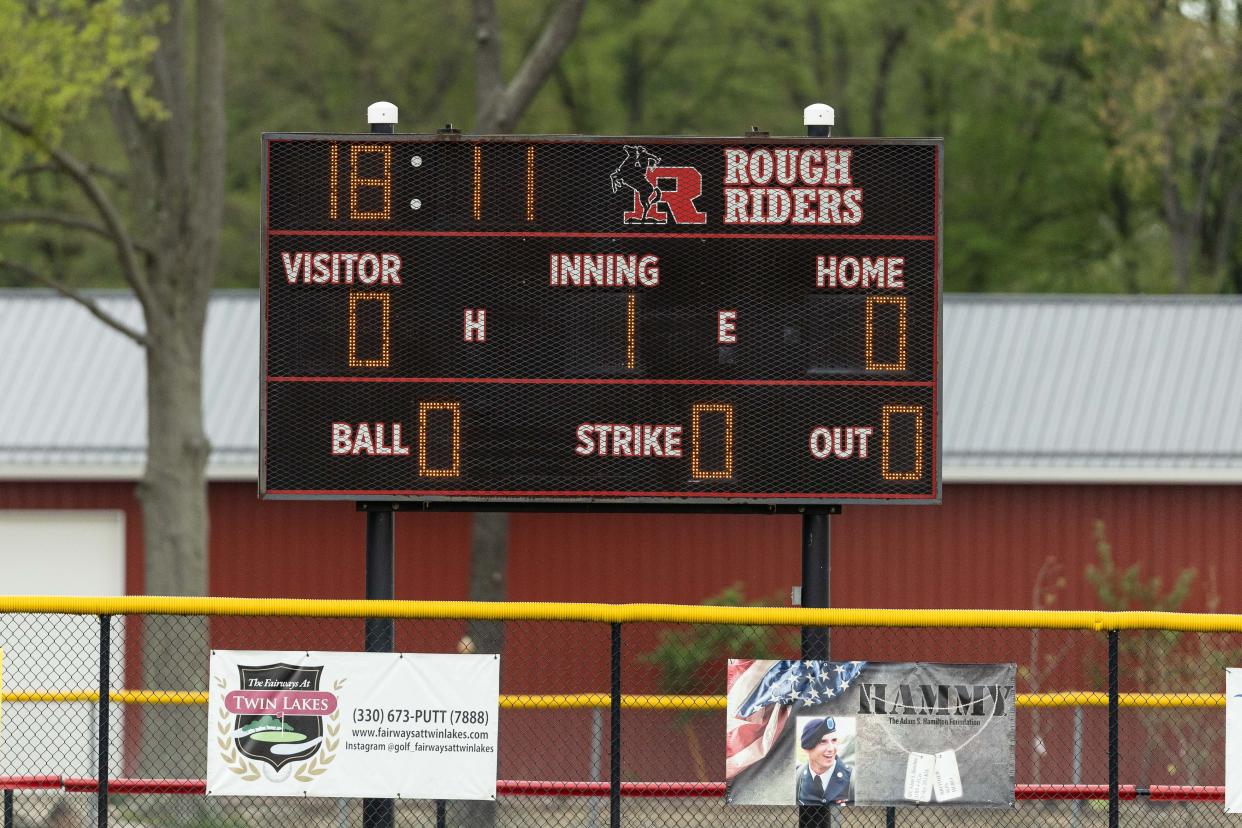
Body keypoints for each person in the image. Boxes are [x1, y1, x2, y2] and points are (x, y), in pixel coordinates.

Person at [796, 716, 852, 805]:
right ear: (807, 748)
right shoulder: (798, 777)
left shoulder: (852, 779)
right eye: (822, 741)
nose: (831, 748)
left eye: (834, 740)